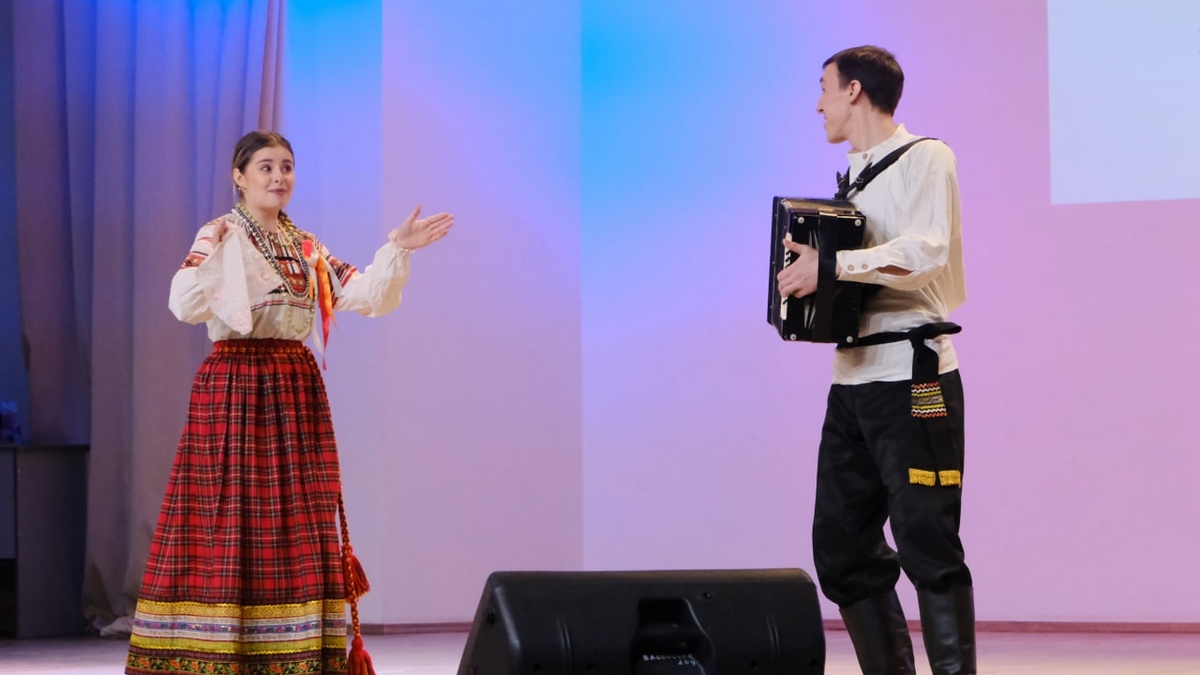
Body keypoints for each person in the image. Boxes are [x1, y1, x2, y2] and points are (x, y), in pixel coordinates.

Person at [125, 130, 453, 675]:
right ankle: (219, 651)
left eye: (287, 167)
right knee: (232, 518)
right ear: (239, 176)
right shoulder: (221, 233)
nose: (279, 177)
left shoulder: (305, 245)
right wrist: (216, 260)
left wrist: (398, 246)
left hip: (294, 391)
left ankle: (296, 652)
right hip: (236, 386)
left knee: (297, 517)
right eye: (266, 167)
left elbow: (362, 293)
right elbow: (183, 304)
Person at [775, 46, 974, 675]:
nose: (818, 105)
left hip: (914, 378)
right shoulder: (852, 181)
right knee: (841, 549)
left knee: (927, 541)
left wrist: (832, 265)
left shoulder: (926, 157)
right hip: (852, 379)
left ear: (854, 90)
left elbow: (926, 253)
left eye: (824, 88)